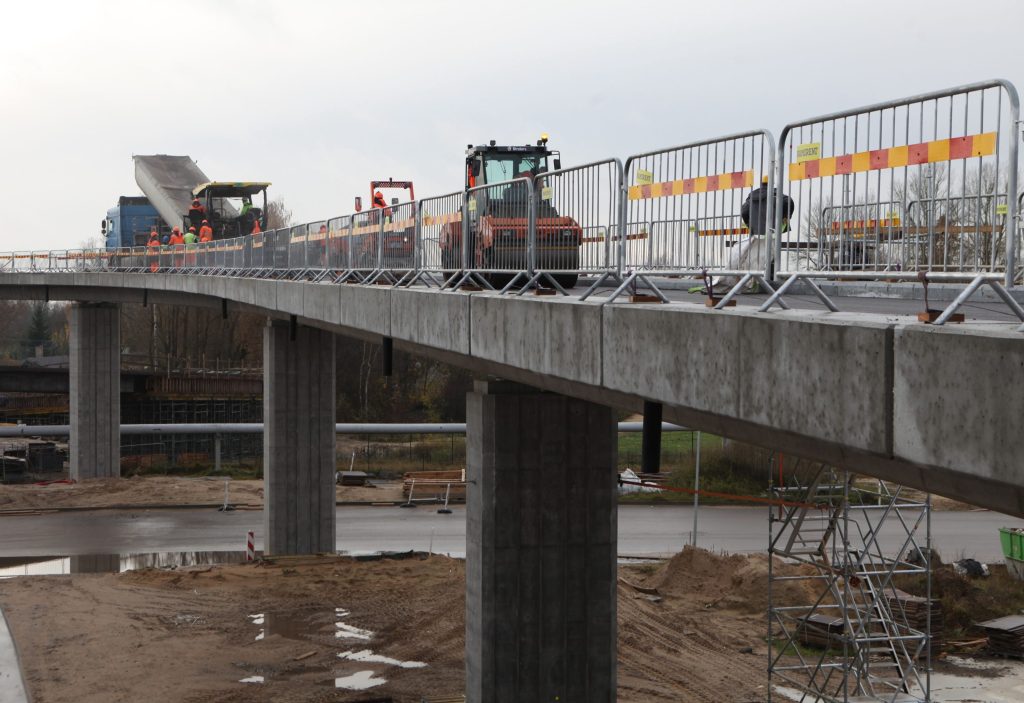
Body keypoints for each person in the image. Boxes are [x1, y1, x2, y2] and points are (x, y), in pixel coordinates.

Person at [712, 176, 795, 292]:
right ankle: (771, 276)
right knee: (772, 252)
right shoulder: (777, 195)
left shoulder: (752, 197)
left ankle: (756, 277)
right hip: (773, 229)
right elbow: (789, 201)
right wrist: (786, 216)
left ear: (761, 184)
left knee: (757, 255)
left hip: (756, 230)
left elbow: (744, 211)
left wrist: (750, 224)